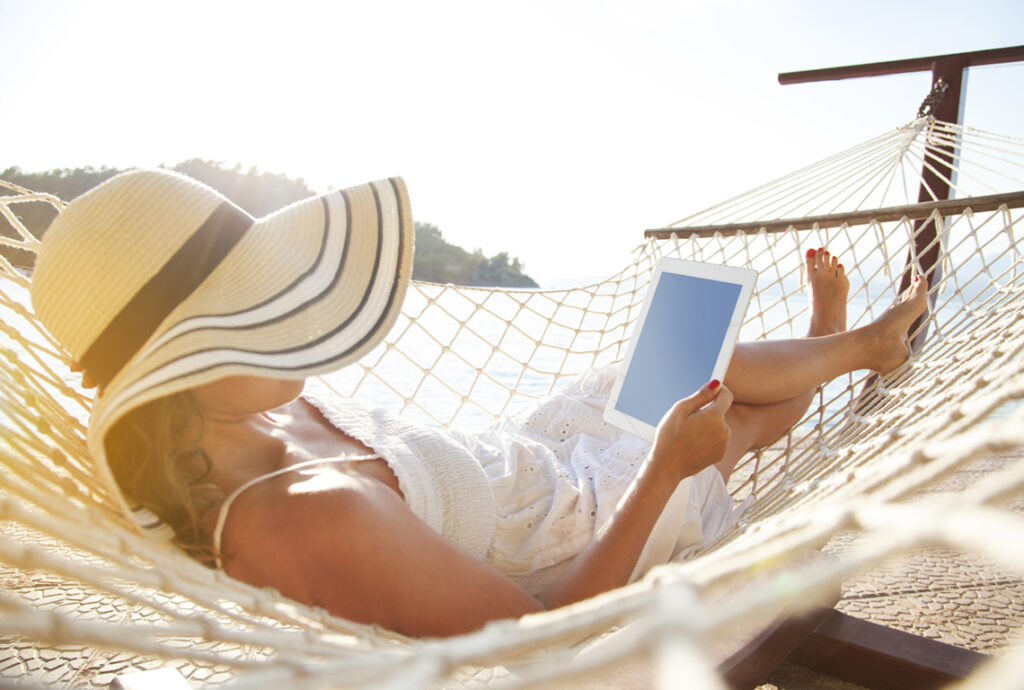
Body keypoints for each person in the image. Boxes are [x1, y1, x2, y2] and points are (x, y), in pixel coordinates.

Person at [30, 169, 929, 638]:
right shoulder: (301, 517)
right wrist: (659, 471)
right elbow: (544, 636)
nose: (297, 316)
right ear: (186, 368)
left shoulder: (241, 420)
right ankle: (851, 349)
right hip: (586, 521)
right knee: (716, 422)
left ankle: (842, 348)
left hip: (524, 458)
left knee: (665, 377)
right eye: (259, 310)